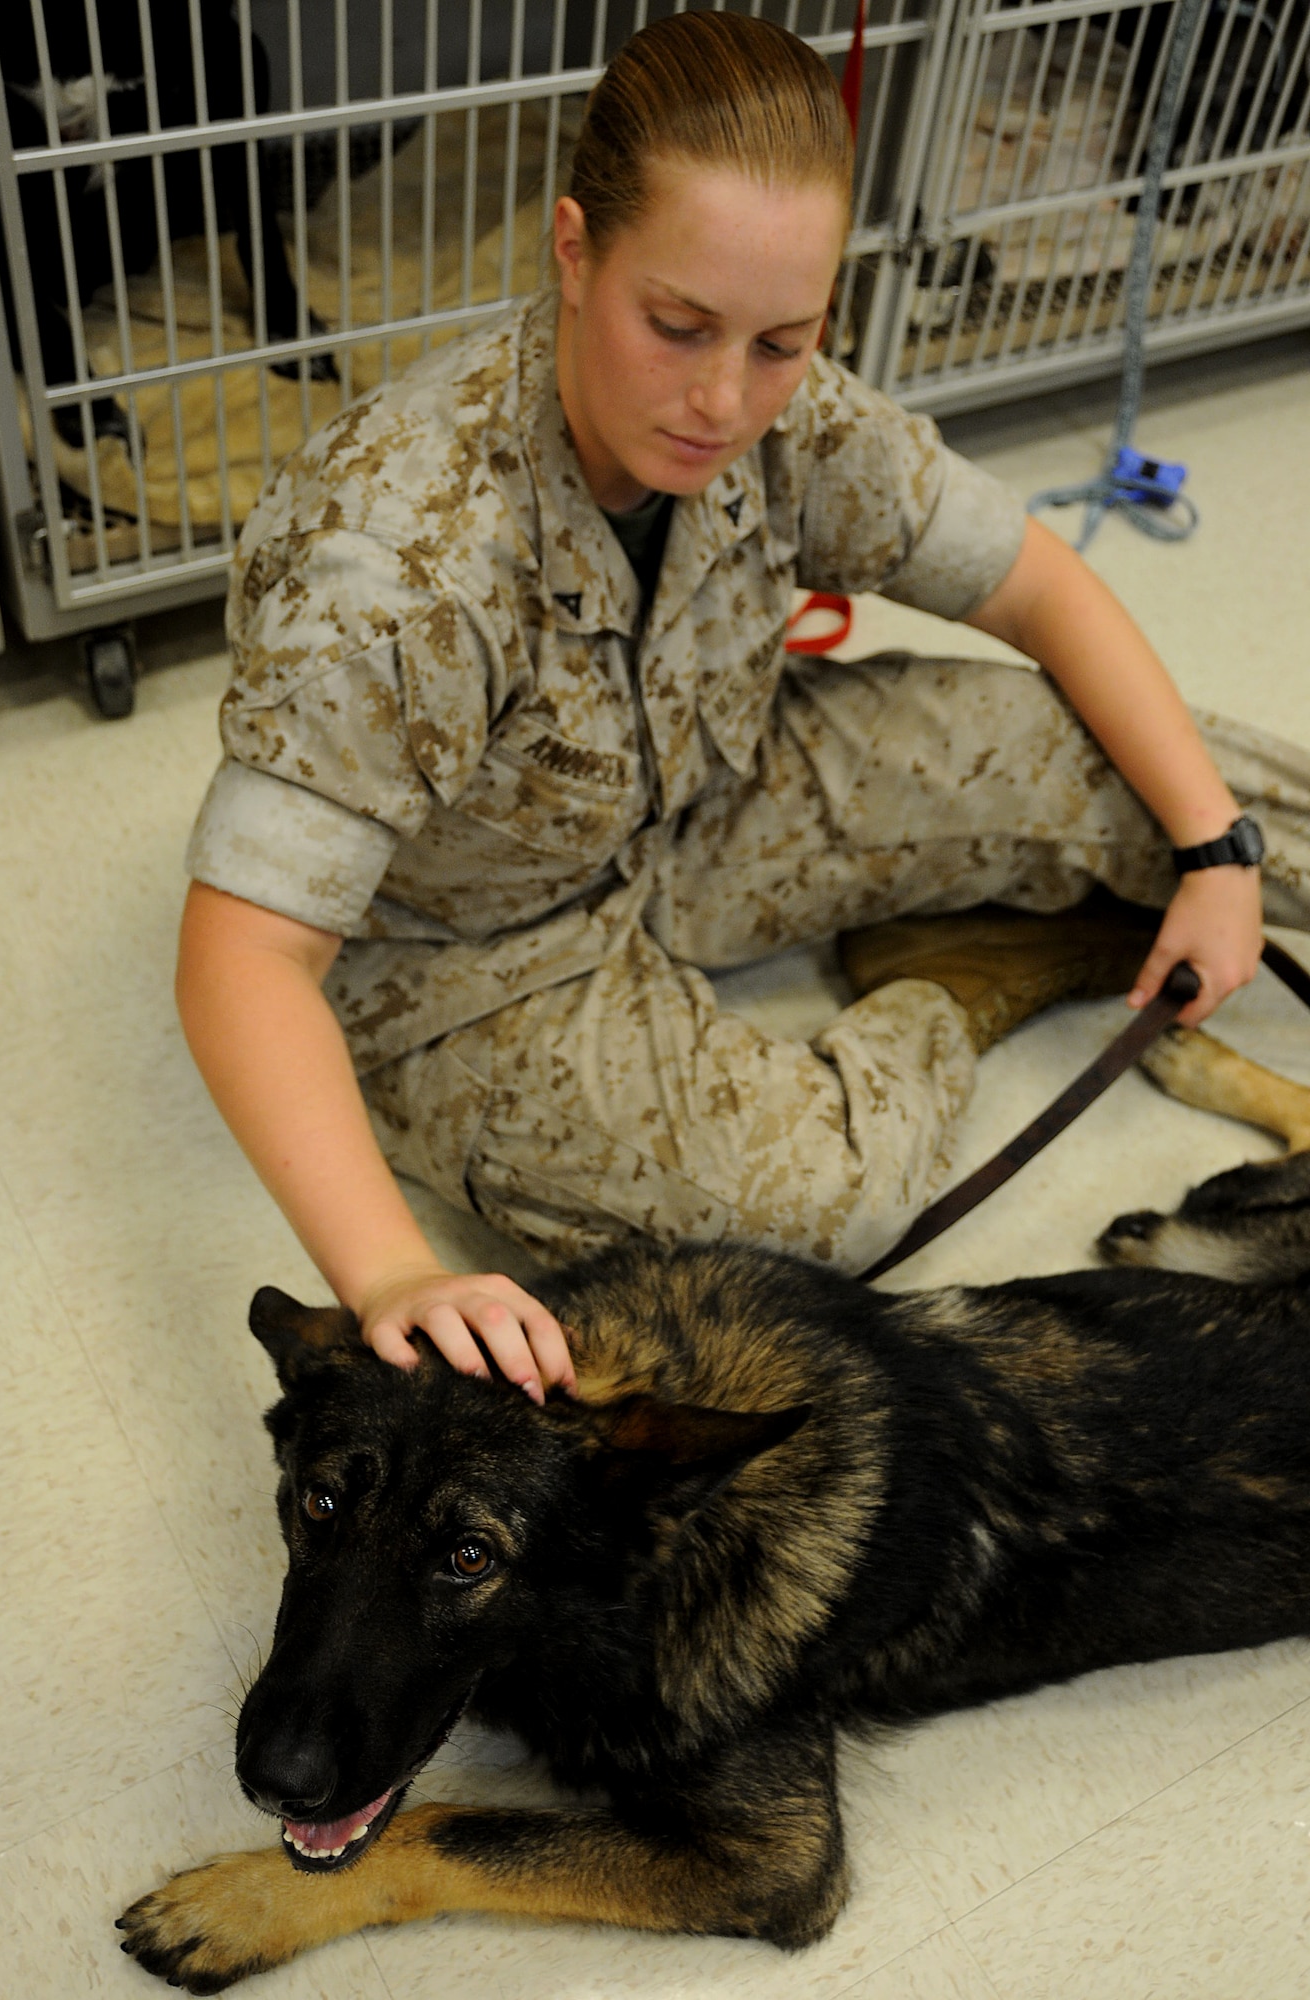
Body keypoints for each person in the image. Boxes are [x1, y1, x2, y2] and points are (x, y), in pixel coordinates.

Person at [177, 12, 1310, 1405]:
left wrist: (1213, 852)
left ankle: (1125, 876)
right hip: (469, 951)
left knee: (1188, 778)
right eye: (677, 326)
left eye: (783, 338)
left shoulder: (789, 408)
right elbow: (242, 958)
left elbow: (1036, 587)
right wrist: (395, 1274)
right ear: (574, 246)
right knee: (817, 1215)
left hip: (710, 787)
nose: (723, 400)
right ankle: (963, 978)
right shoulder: (404, 552)